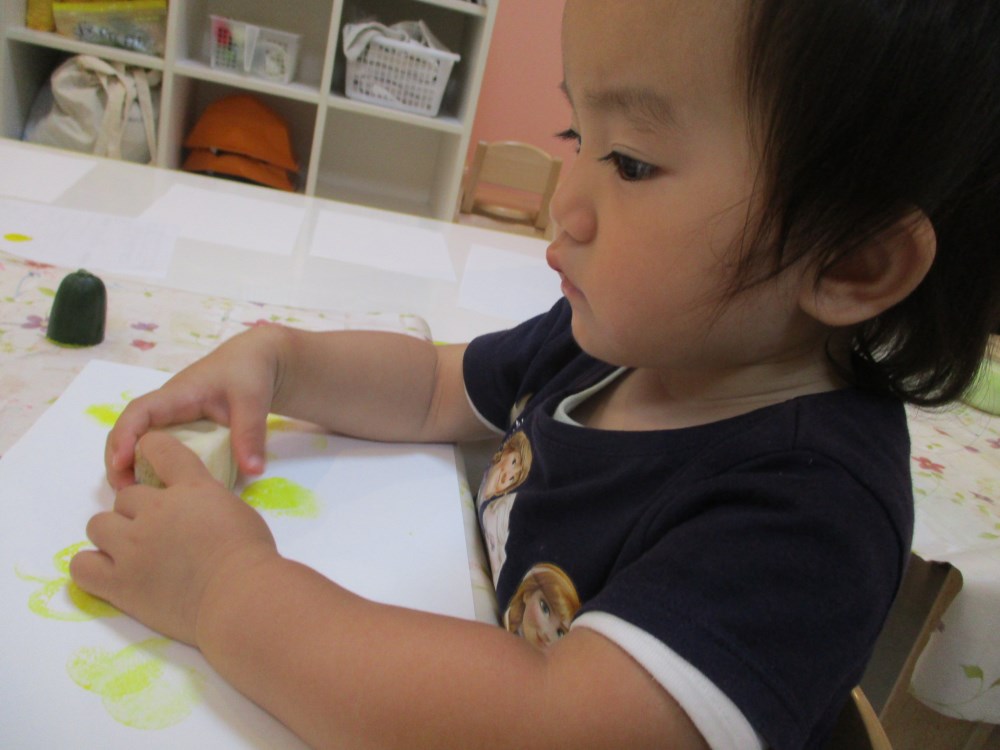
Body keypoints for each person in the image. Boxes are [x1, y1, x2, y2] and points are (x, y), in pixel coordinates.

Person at [70, 1, 1000, 748]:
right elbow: (435, 386)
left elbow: (546, 724)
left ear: (850, 261)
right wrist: (283, 361)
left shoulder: (808, 516)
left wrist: (225, 590)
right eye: (574, 132)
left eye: (631, 161)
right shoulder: (619, 342)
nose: (567, 200)